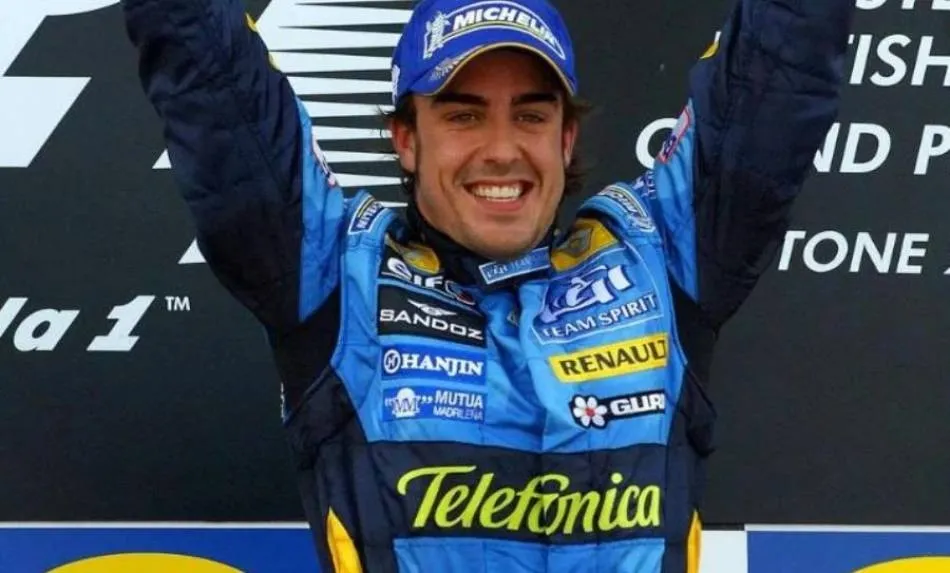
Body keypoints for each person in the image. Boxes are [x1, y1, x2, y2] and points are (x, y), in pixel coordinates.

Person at [123, 0, 855, 570]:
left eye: (530, 114)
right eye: (463, 115)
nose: (502, 149)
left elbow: (777, 71)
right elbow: (210, 77)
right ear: (406, 139)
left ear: (566, 138)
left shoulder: (657, 255)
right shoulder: (336, 273)